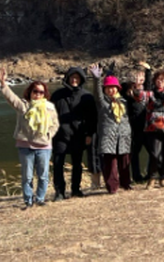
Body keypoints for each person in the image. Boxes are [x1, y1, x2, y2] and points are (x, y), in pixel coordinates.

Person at [0, 67, 59, 209]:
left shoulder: (49, 107)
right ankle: (28, 201)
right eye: (35, 91)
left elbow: (54, 124)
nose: (38, 94)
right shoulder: (23, 106)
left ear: (45, 94)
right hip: (25, 146)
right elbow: (11, 98)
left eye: (41, 92)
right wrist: (3, 84)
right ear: (30, 92)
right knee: (27, 176)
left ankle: (40, 198)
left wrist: (48, 135)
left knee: (43, 175)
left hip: (44, 146)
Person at [50, 66, 97, 201]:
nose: (74, 80)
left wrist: (89, 134)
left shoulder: (86, 96)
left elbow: (92, 118)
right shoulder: (57, 95)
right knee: (58, 164)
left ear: (81, 79)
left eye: (77, 78)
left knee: (77, 163)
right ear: (67, 78)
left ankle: (76, 189)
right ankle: (59, 191)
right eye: (72, 77)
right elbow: (50, 115)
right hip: (59, 135)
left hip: (79, 135)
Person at [88, 64, 132, 194]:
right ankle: (112, 187)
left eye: (113, 87)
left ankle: (126, 183)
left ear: (117, 89)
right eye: (107, 88)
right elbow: (97, 93)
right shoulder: (102, 102)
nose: (110, 90)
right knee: (110, 163)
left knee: (124, 161)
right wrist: (97, 79)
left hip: (123, 135)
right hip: (108, 136)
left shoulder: (124, 101)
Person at [124, 65, 150, 183]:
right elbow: (119, 87)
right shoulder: (128, 92)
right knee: (134, 153)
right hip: (135, 128)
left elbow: (149, 81)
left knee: (154, 152)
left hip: (149, 126)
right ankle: (136, 176)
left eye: (141, 77)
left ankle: (150, 174)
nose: (139, 79)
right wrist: (130, 85)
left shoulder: (147, 90)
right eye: (137, 77)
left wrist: (148, 70)